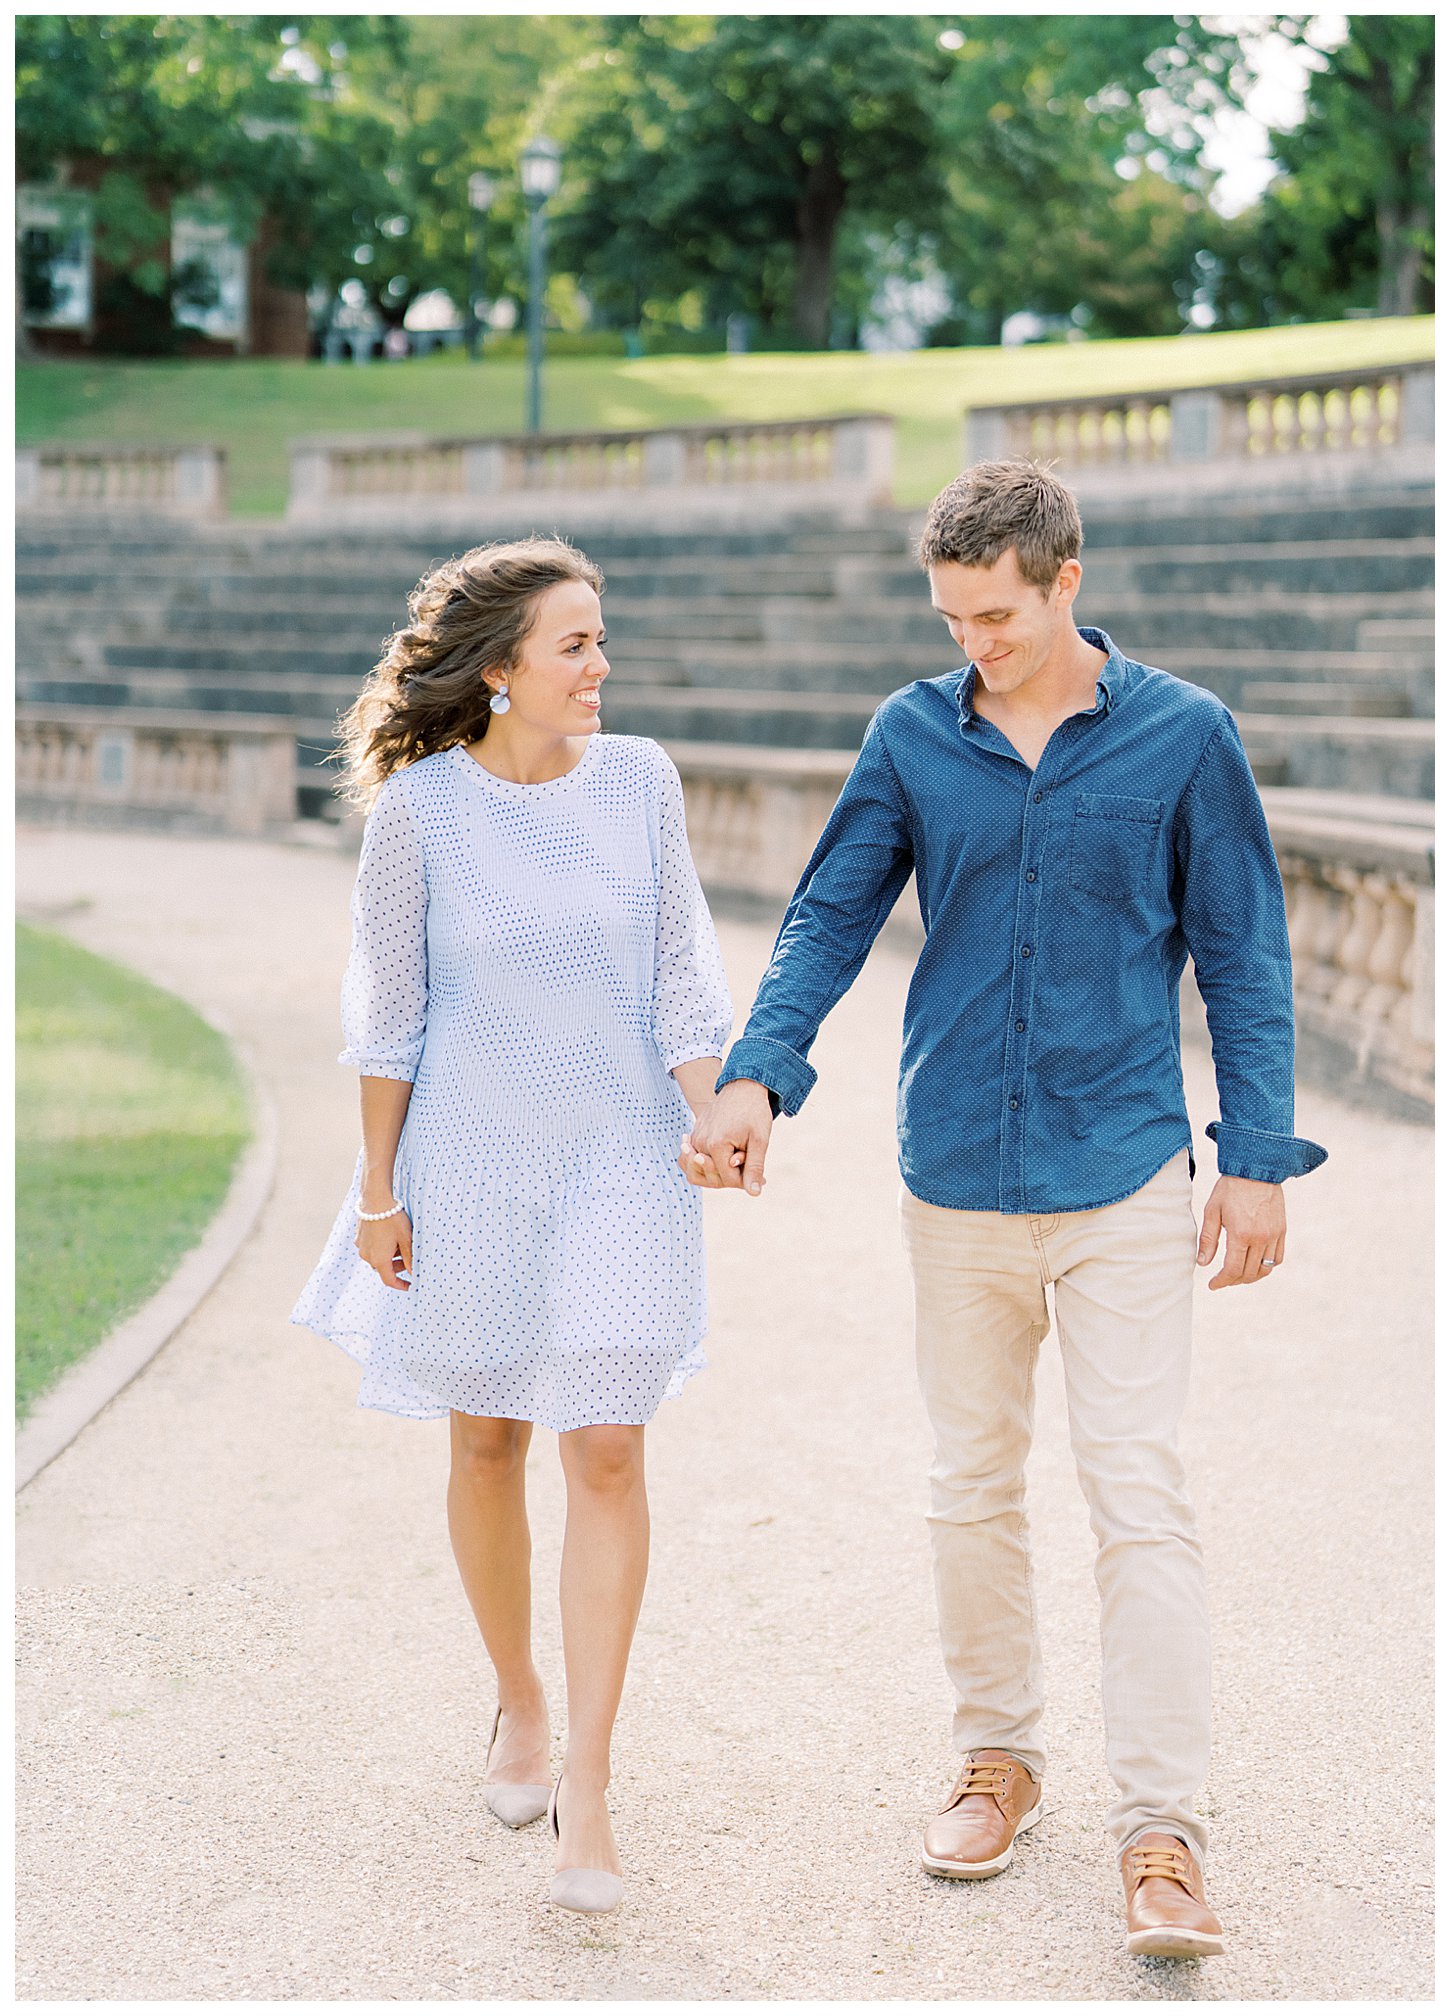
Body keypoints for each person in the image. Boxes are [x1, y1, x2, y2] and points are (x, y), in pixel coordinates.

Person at [681, 460, 1326, 1959]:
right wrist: (756, 1078)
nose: (974, 638)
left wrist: (1257, 1156)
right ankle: (998, 1759)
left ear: (1064, 582)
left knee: (1138, 1495)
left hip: (1120, 1171)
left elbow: (1243, 951)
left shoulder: (1182, 736)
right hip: (954, 1171)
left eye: (997, 612)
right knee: (967, 1486)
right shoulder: (912, 735)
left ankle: (1161, 1834)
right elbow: (830, 913)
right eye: (953, 615)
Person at [291, 536, 732, 1915]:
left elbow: (678, 975)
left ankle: (587, 1791)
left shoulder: (642, 782)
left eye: (602, 640)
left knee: (605, 1443)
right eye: (576, 646)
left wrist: (711, 1111)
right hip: (468, 1160)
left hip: (621, 1160)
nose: (602, 667)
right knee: (486, 1435)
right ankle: (518, 1703)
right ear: (500, 671)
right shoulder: (420, 813)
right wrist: (377, 1190)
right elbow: (393, 1014)